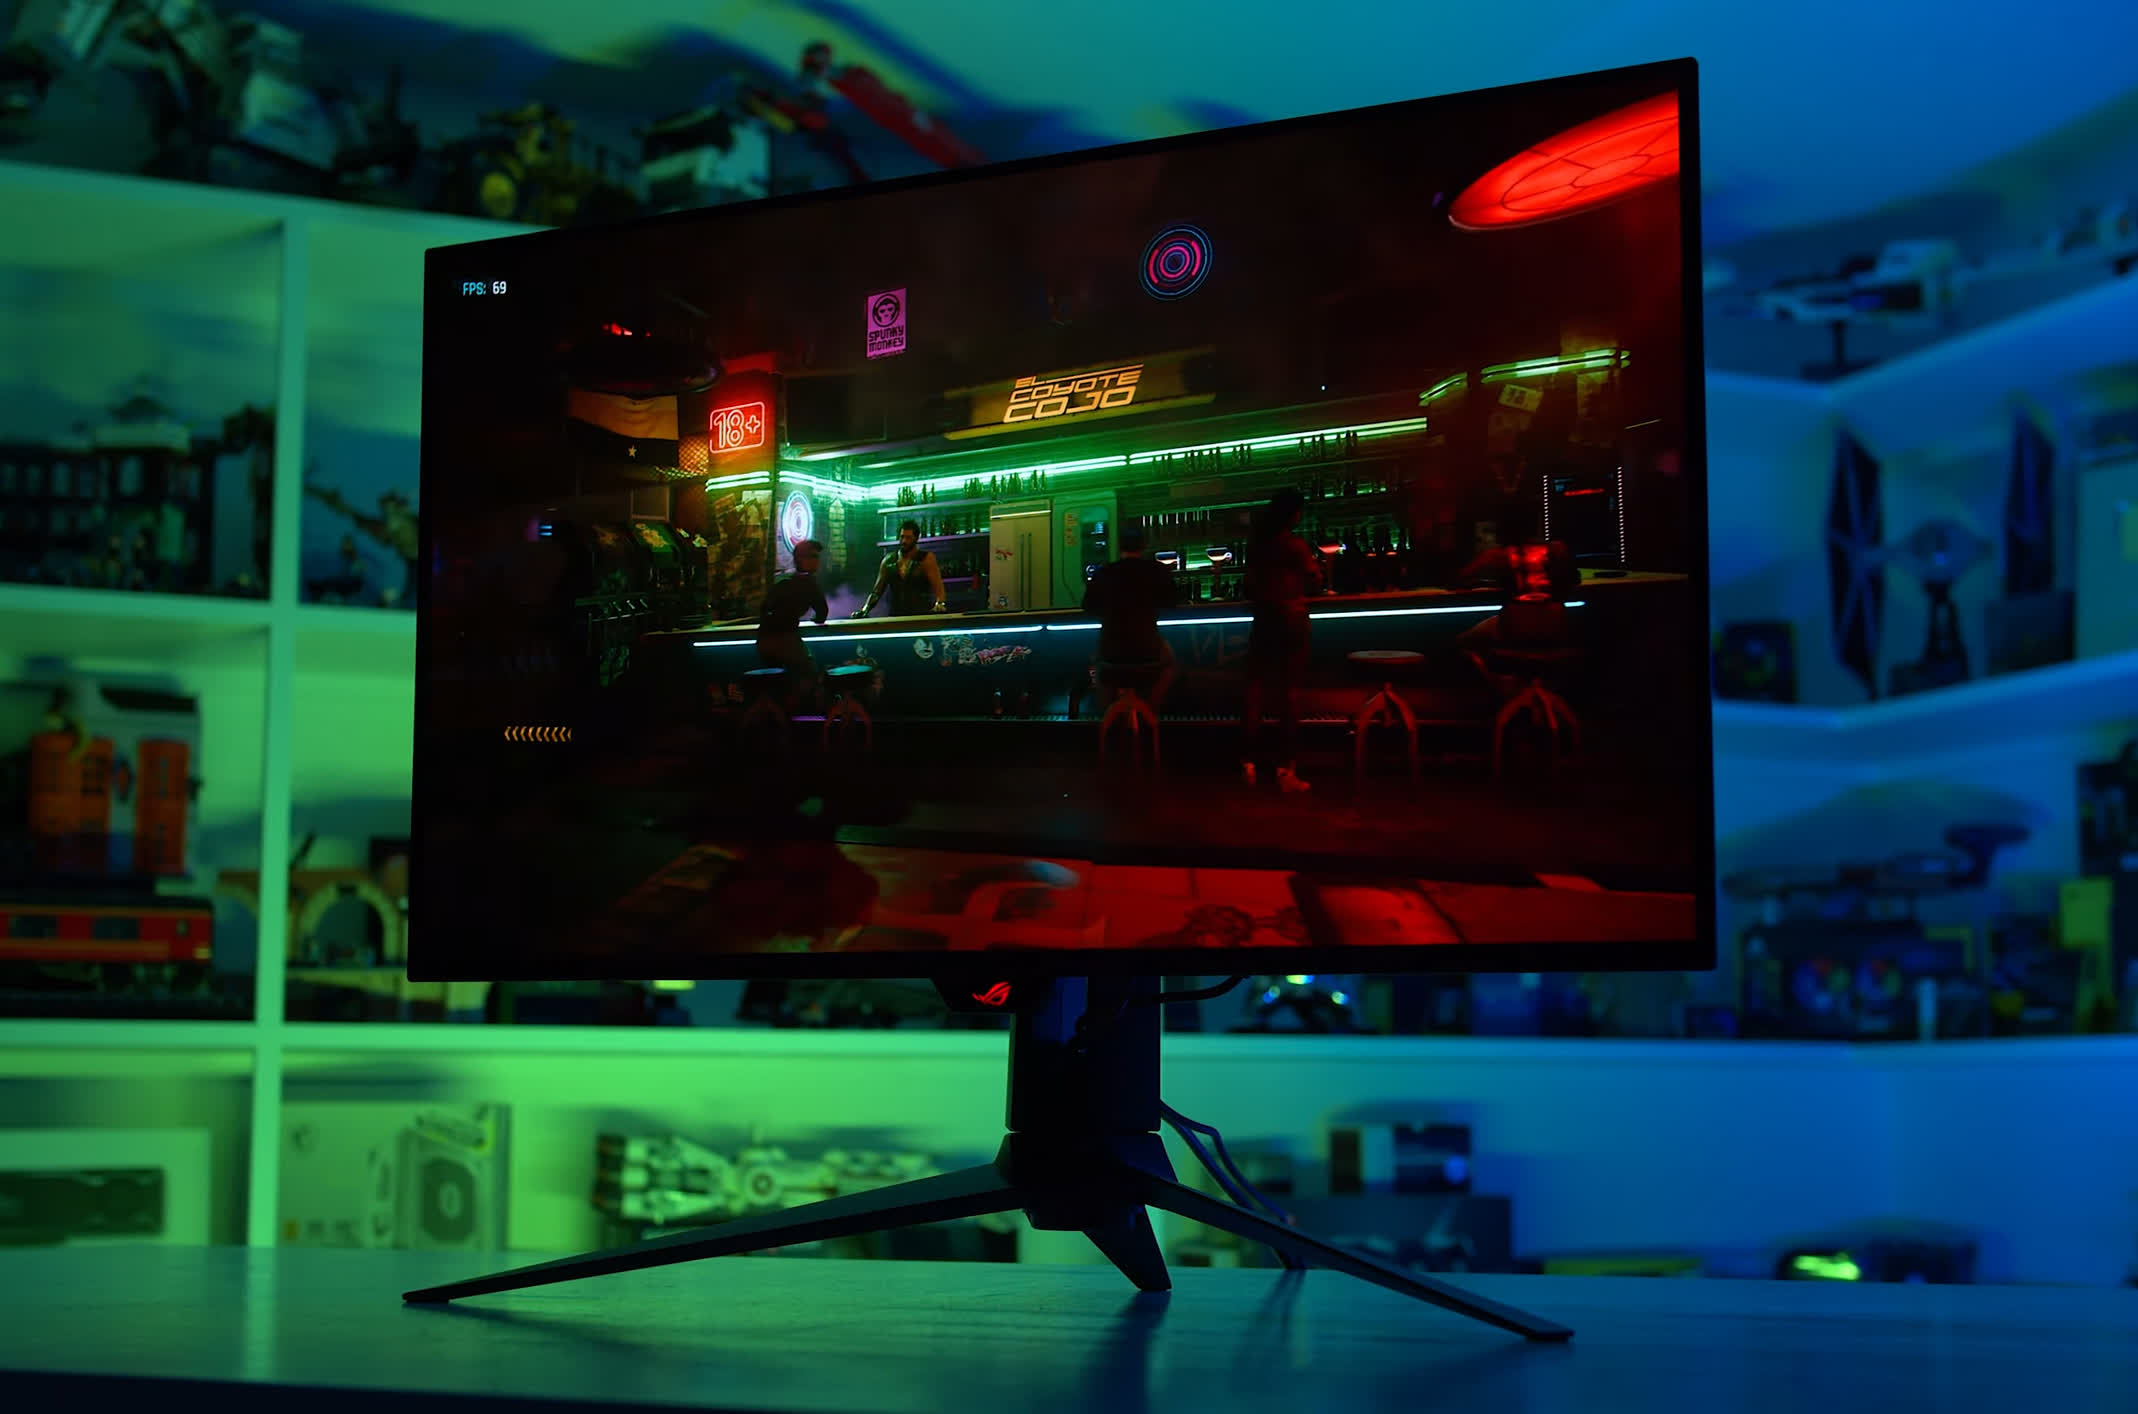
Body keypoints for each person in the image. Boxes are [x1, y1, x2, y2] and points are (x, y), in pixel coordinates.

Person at [1238, 488, 1321, 792]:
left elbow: (1248, 585)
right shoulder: (1294, 546)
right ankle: (1286, 770)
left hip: (1263, 620)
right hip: (1291, 620)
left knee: (1254, 692)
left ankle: (1248, 764)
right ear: (1294, 514)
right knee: (1289, 694)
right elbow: (1315, 580)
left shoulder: (1257, 545)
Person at [1454, 501, 1582, 669]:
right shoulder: (1558, 548)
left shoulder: (1497, 554)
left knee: (1461, 642)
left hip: (1515, 624)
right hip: (1555, 622)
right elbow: (1575, 580)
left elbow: (1458, 579)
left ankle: (1500, 680)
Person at [1081, 524, 1178, 709]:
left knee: (1099, 666)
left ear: (1119, 547)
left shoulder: (1104, 572)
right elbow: (1172, 604)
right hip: (1147, 650)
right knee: (1169, 666)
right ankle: (1149, 711)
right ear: (1144, 546)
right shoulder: (1157, 571)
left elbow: (1088, 607)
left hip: (1111, 651)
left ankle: (1107, 713)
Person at [757, 539, 829, 701]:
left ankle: (780, 710)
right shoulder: (808, 582)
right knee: (809, 675)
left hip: (763, 641)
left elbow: (763, 608)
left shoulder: (783, 579)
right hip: (786, 640)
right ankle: (799, 711)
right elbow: (822, 613)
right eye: (814, 556)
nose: (818, 561)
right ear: (801, 559)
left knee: (779, 684)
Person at [855, 519, 947, 617]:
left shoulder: (926, 559)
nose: (904, 541)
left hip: (920, 615)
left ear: (916, 538)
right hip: (896, 615)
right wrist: (865, 609)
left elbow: (939, 589)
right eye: (902, 537)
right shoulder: (889, 561)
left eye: (908, 538)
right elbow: (877, 592)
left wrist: (939, 604)